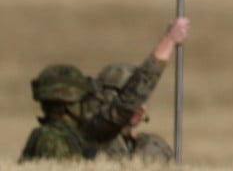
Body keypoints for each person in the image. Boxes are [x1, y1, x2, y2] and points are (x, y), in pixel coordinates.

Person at [19, 17, 190, 162]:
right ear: (69, 105)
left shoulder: (60, 135)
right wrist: (168, 41)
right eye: (83, 99)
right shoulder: (66, 137)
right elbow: (127, 103)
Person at [89, 62, 174, 162]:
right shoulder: (90, 143)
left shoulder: (149, 148)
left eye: (142, 99)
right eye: (132, 99)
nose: (142, 107)